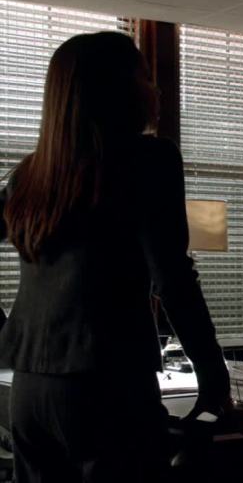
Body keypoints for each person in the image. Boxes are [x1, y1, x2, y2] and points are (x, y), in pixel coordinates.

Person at [0, 32, 230, 482]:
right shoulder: (149, 159)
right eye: (144, 76)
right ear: (118, 89)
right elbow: (173, 278)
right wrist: (211, 374)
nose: (154, 88)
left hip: (28, 392)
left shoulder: (28, 174)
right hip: (108, 387)